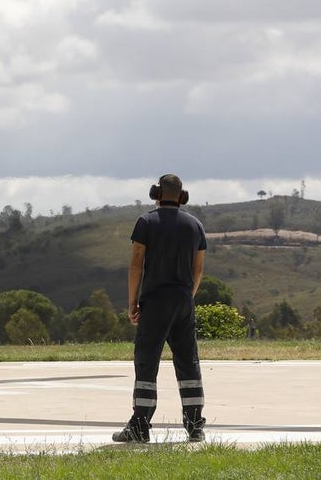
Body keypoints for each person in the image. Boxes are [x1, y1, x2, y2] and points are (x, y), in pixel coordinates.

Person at [113, 173, 208, 444]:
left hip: (155, 301)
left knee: (147, 362)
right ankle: (195, 426)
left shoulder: (146, 222)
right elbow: (198, 268)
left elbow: (136, 264)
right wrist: (187, 296)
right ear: (182, 196)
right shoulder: (195, 225)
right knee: (188, 362)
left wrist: (133, 302)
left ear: (156, 193)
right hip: (183, 301)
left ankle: (140, 426)